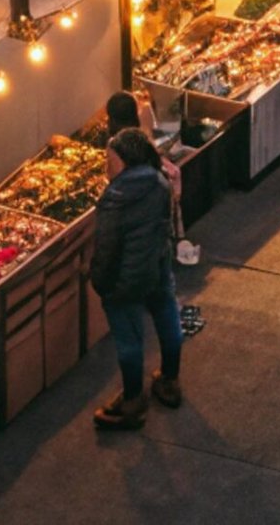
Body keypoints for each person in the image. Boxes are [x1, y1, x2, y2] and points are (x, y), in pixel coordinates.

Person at [90, 128, 182, 429]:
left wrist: (102, 284)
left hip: (125, 281)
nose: (107, 167)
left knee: (129, 341)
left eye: (110, 161)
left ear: (126, 161)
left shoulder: (114, 198)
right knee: (168, 317)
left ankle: (132, 403)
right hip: (157, 266)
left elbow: (106, 248)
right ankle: (169, 379)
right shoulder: (159, 182)